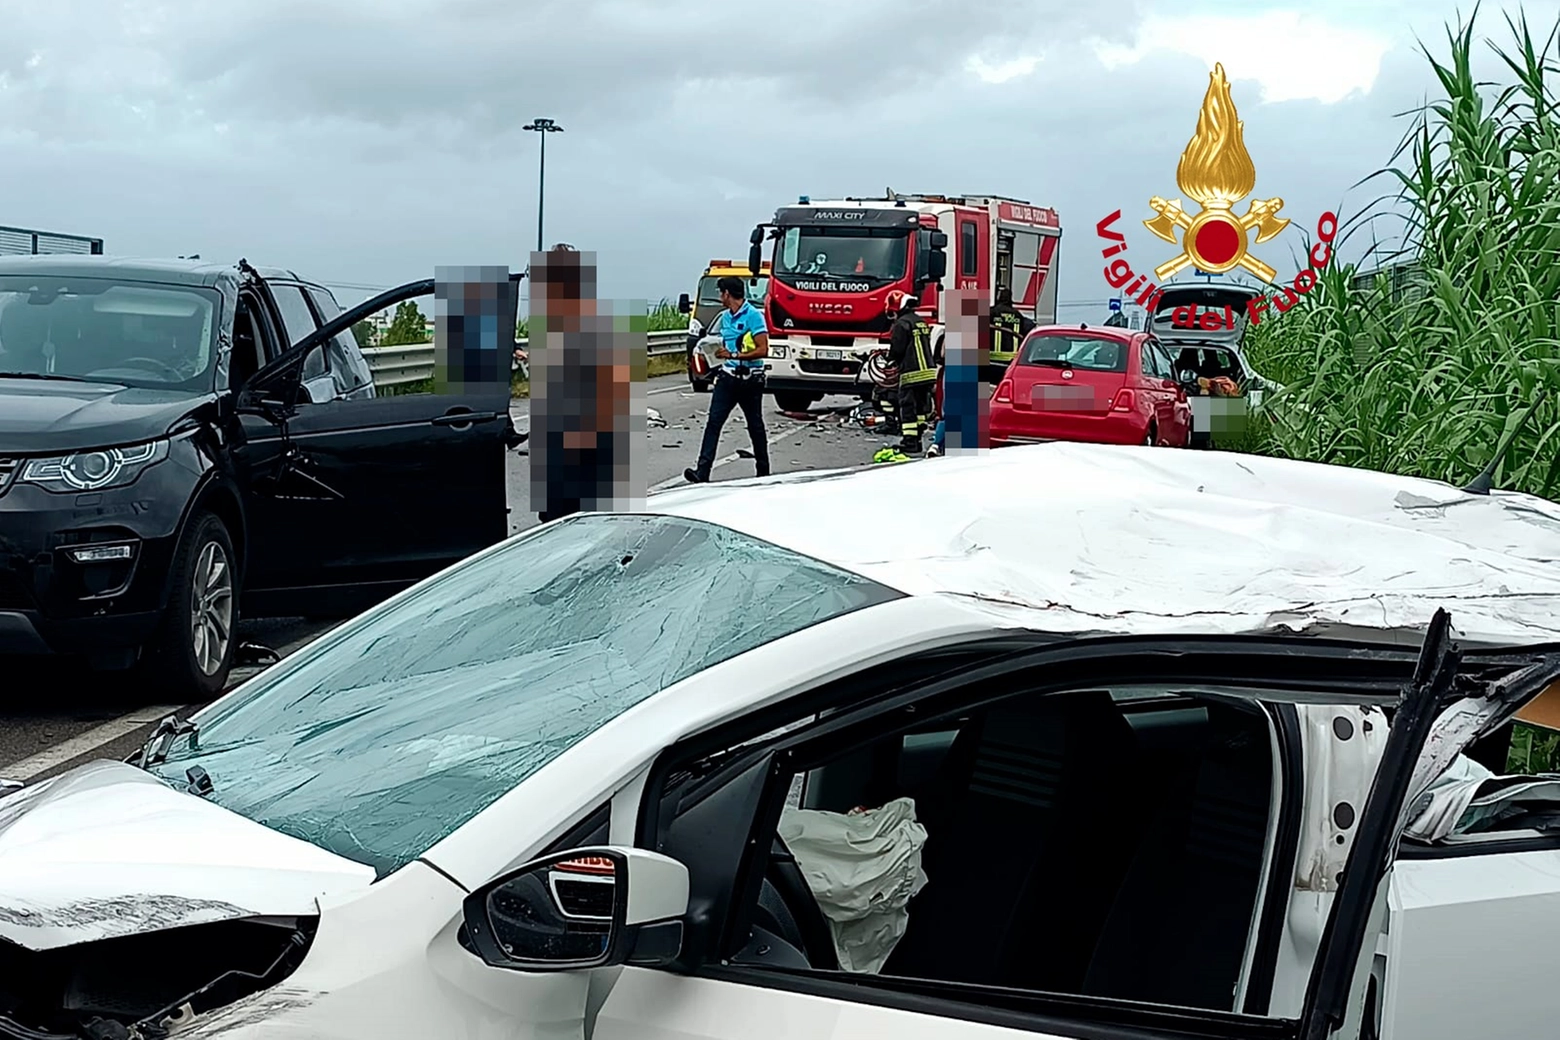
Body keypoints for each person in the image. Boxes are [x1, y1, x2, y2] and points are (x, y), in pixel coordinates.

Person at [685, 275, 770, 483]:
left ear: (727, 294)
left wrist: (734, 356)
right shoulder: (725, 317)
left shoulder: (753, 316)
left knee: (755, 425)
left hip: (750, 379)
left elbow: (763, 349)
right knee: (714, 422)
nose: (719, 297)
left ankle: (763, 472)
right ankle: (702, 472)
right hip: (727, 377)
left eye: (720, 293)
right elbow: (725, 347)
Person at [885, 289, 936, 455]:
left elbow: (897, 349)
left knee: (907, 408)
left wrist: (890, 360)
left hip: (911, 373)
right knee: (921, 408)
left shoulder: (902, 324)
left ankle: (910, 442)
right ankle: (918, 439)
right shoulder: (920, 321)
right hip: (928, 372)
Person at [986, 285, 1034, 385]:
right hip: (1010, 362)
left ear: (998, 298)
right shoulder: (1018, 315)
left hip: (991, 360)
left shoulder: (991, 313)